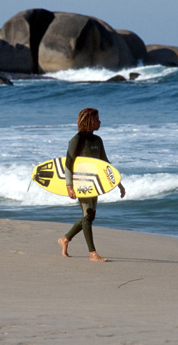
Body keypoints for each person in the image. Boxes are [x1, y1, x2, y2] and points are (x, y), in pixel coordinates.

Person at [58, 108, 126, 262]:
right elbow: (68, 163)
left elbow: (106, 164)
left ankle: (65, 238)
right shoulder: (76, 140)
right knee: (87, 216)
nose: (100, 122)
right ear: (89, 121)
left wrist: (118, 183)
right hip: (80, 183)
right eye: (97, 119)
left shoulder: (98, 141)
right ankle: (92, 253)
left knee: (90, 216)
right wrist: (69, 185)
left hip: (94, 184)